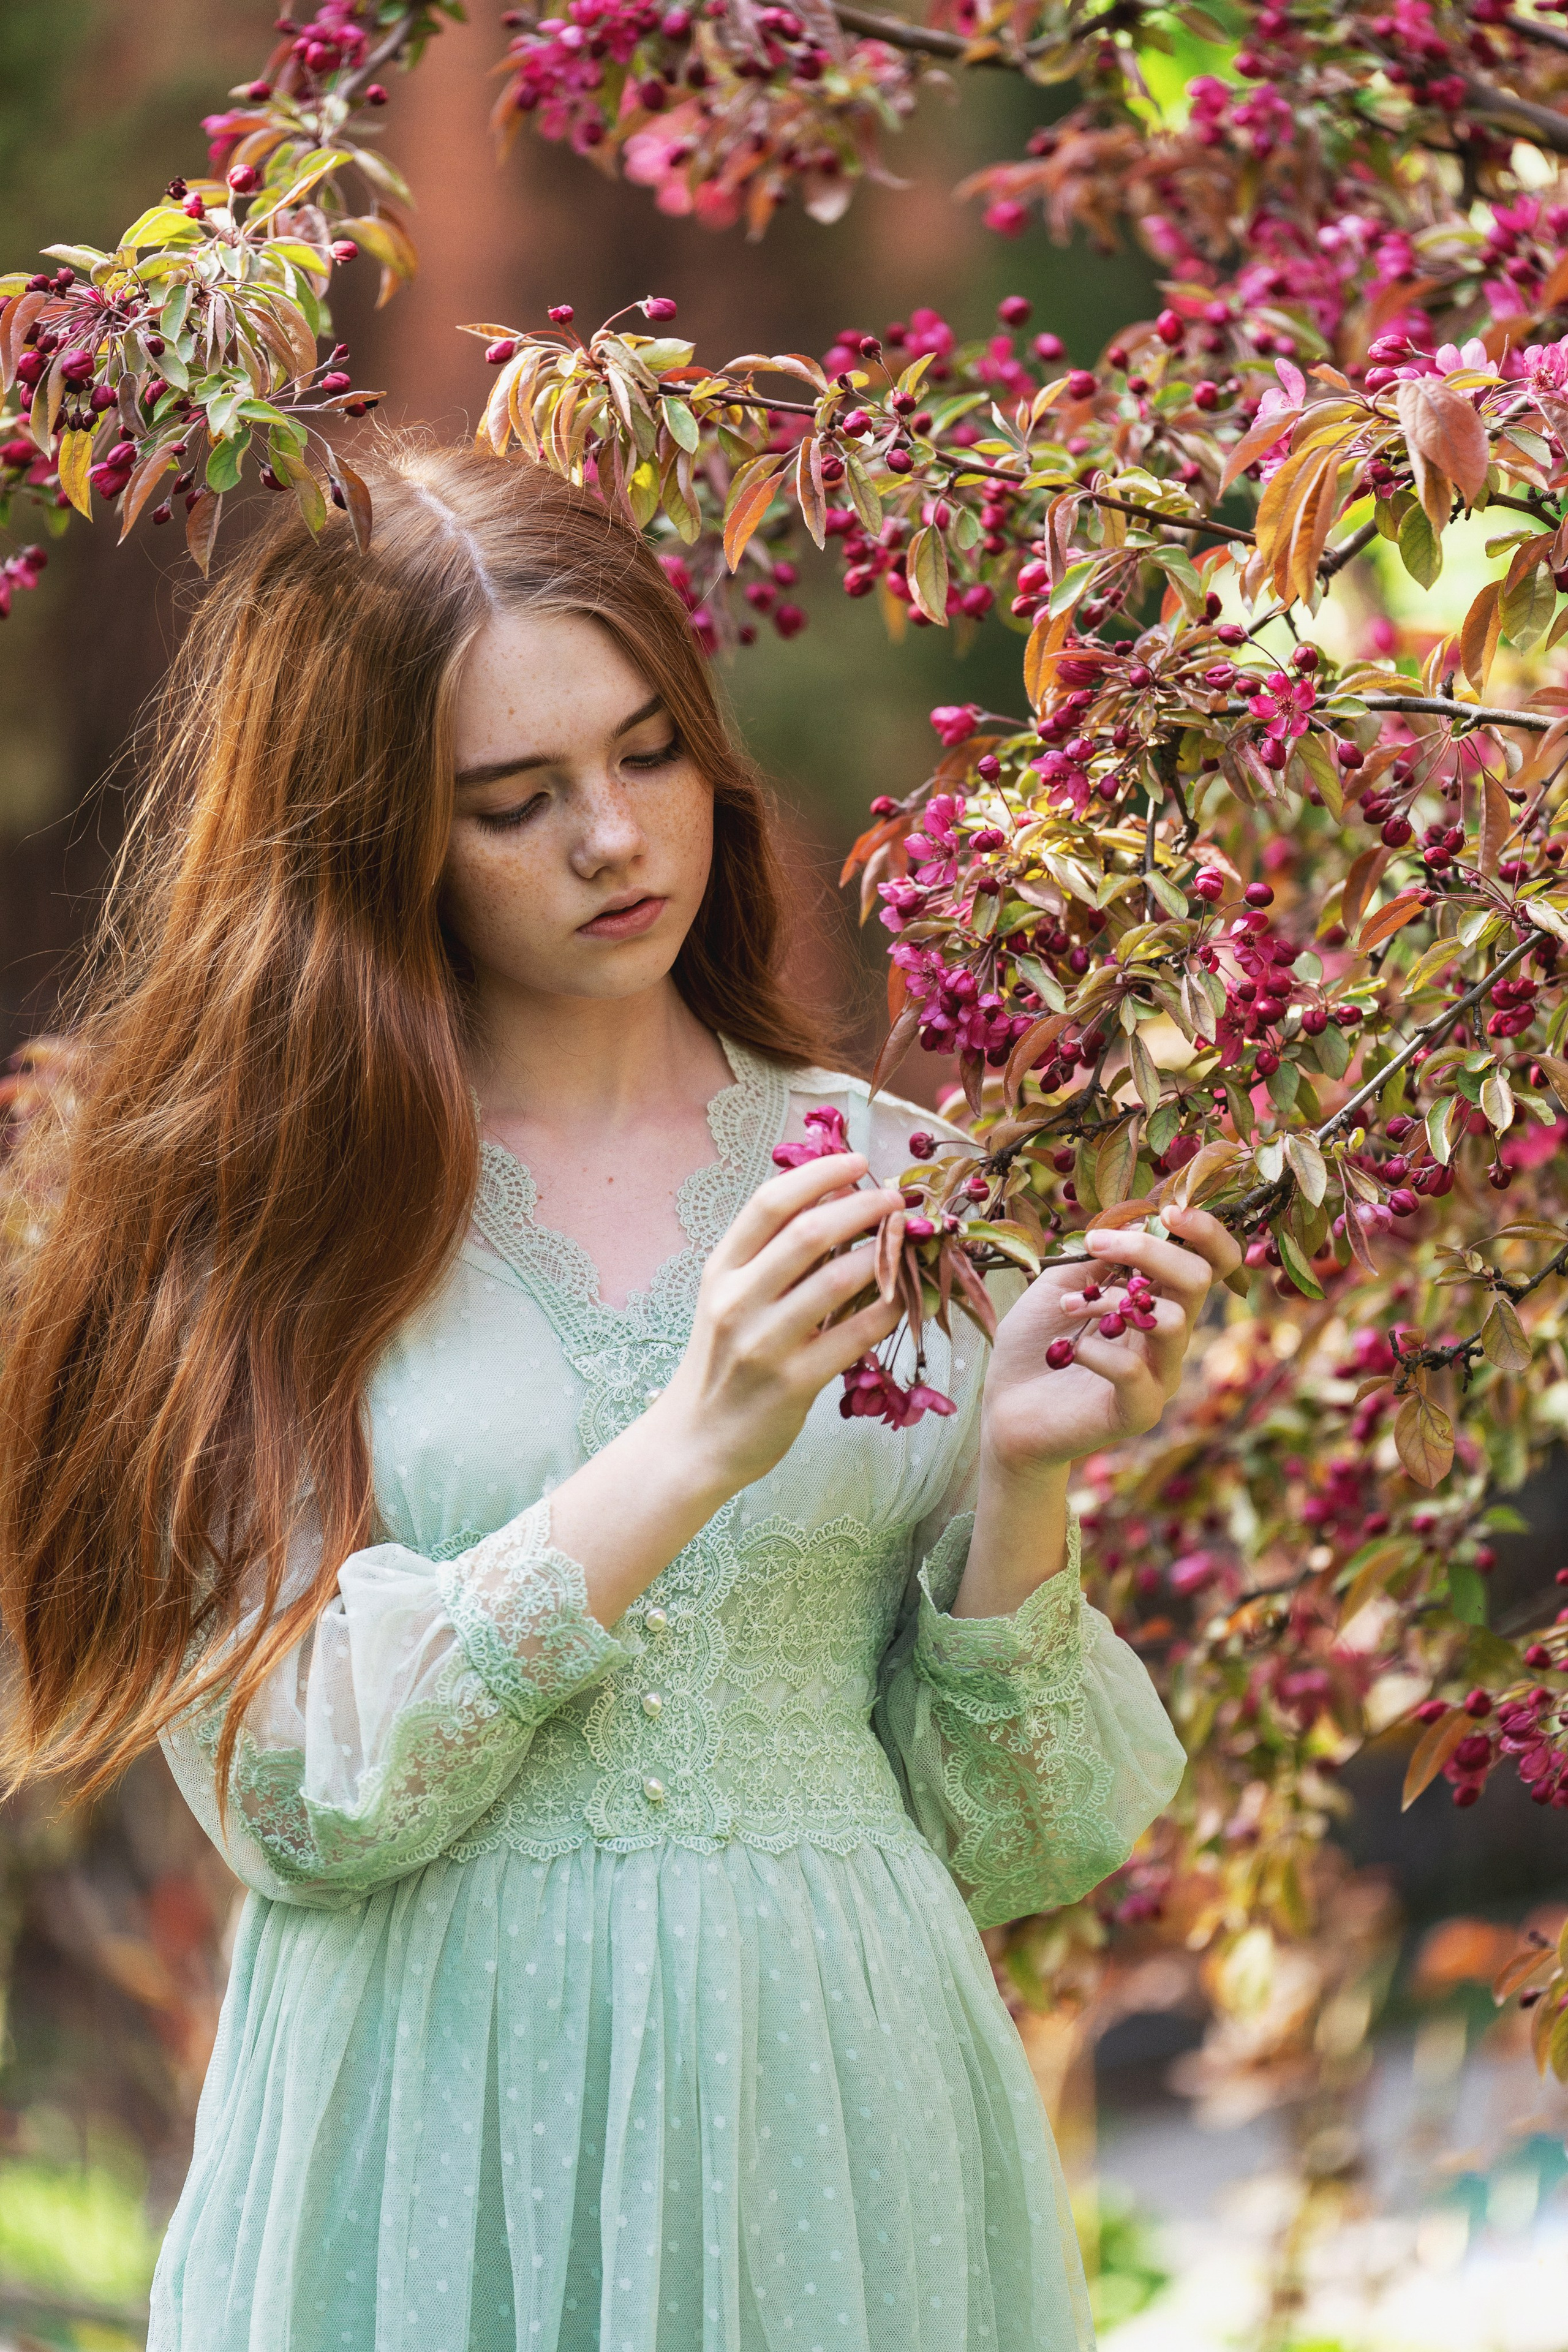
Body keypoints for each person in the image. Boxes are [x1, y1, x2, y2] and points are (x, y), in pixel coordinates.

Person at [0, 439, 1239, 2352]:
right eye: (516, 799)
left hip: (839, 2113)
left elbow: (1019, 1836)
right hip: (433, 2133)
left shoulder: (895, 1189)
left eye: (649, 754)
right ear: (370, 837)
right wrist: (691, 1446)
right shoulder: (264, 1219)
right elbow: (292, 1792)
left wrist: (1018, 1491)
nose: (613, 838)